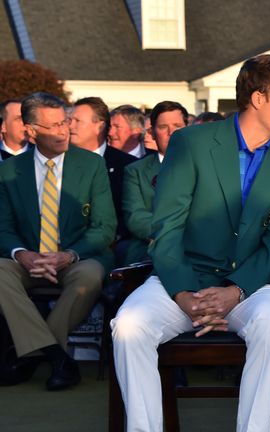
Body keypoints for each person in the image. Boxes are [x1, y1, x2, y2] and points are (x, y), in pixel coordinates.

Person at [110, 54, 270, 431]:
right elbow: (167, 228)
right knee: (128, 325)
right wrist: (184, 293)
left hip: (251, 286)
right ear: (257, 98)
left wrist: (234, 292)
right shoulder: (191, 142)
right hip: (182, 278)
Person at [0, 92, 116, 390]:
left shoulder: (91, 165)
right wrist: (21, 253)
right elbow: (3, 227)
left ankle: (30, 355)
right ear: (30, 130)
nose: (64, 130)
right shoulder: (9, 171)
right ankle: (57, 357)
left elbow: (104, 227)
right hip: (29, 259)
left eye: (65, 121)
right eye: (53, 126)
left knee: (90, 275)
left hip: (77, 258)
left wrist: (68, 255)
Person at [121, 101, 188, 266]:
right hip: (150, 249)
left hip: (201, 247)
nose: (171, 132)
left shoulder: (207, 166)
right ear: (152, 133)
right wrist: (172, 236)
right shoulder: (135, 171)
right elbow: (136, 217)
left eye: (177, 126)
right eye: (163, 127)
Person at [68, 97, 138, 248]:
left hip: (114, 245)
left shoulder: (128, 166)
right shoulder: (59, 162)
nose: (70, 126)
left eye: (77, 121)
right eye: (69, 120)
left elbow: (132, 214)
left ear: (99, 126)